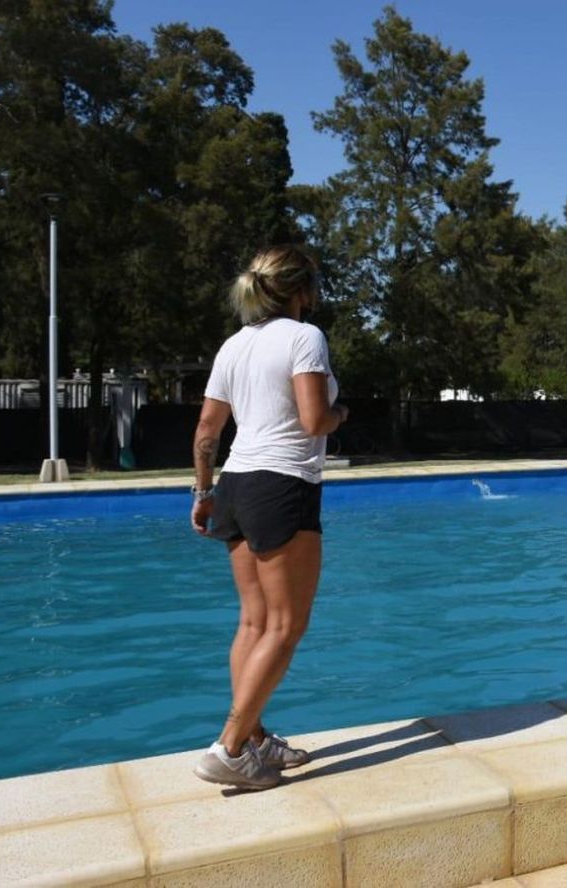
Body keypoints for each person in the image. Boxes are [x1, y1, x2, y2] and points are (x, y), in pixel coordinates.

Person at [190, 245, 348, 791]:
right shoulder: (305, 337)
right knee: (285, 626)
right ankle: (230, 746)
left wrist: (203, 492)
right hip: (283, 487)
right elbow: (314, 420)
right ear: (302, 291)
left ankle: (256, 742)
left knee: (254, 623)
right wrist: (342, 411)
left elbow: (208, 431)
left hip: (235, 485)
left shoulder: (234, 344)